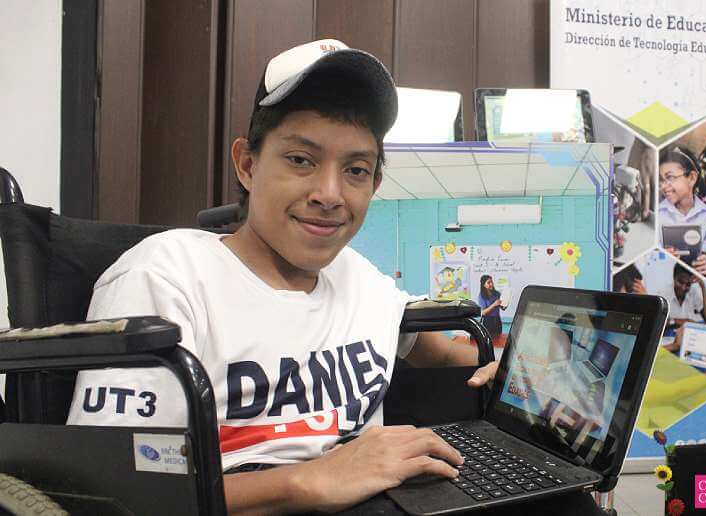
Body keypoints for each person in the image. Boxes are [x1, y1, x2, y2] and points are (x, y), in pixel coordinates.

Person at [65, 40, 498, 514]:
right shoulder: (165, 277)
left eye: (356, 170)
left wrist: (517, 372)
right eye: (300, 160)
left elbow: (446, 355)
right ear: (247, 165)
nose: (329, 194)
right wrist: (308, 481)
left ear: (374, 185)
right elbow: (114, 489)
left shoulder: (360, 278)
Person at [658, 147, 706, 276]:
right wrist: (661, 257)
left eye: (670, 177)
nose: (664, 186)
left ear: (692, 178)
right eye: (661, 180)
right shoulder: (658, 216)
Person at [660, 263, 706, 328]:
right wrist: (677, 321)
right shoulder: (663, 294)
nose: (683, 288)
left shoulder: (693, 291)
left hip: (689, 332)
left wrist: (703, 287)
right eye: (680, 282)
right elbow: (659, 322)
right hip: (670, 333)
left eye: (688, 284)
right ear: (674, 278)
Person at [477, 274, 505, 340]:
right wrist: (494, 304)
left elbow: (502, 307)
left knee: (498, 340)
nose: (491, 284)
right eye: (488, 282)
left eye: (491, 282)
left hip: (497, 320)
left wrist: (505, 304)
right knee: (489, 340)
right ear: (484, 285)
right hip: (487, 321)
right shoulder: (481, 296)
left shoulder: (497, 293)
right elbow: (483, 312)